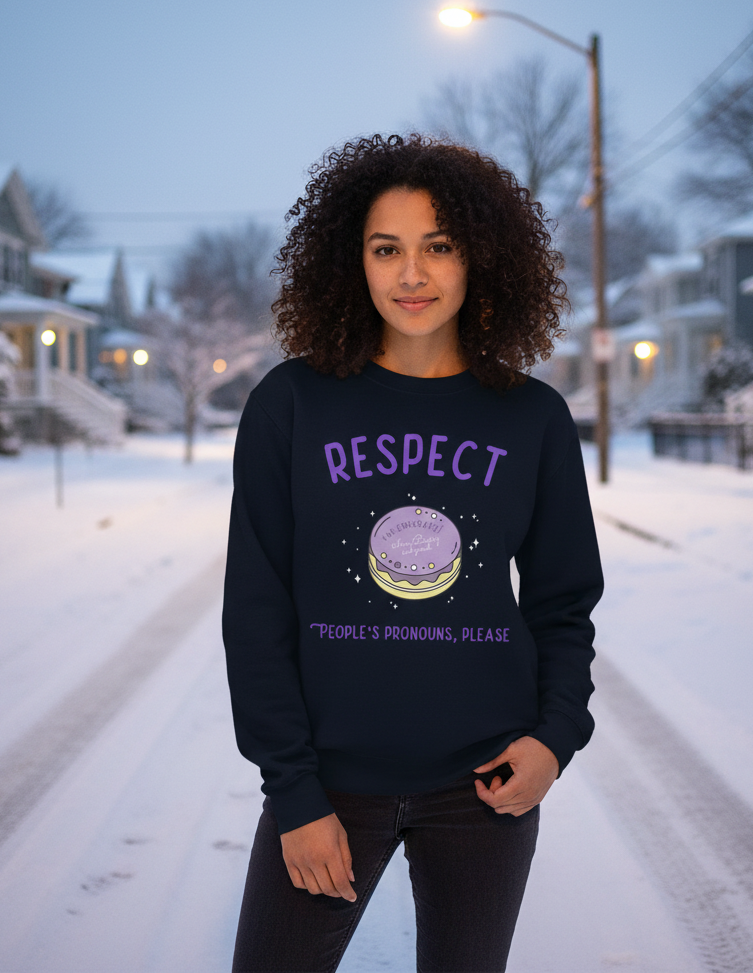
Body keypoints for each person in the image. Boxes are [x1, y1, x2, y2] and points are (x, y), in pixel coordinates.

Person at [222, 133, 603, 973]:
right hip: (330, 784)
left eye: (439, 246)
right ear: (350, 262)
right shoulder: (291, 406)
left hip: (485, 788)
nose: (412, 275)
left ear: (481, 257)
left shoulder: (531, 418)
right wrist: (293, 791)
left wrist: (553, 738)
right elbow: (257, 612)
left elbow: (561, 604)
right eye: (385, 249)